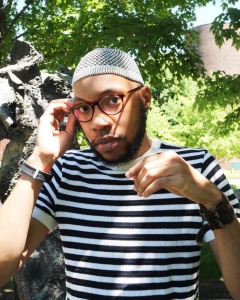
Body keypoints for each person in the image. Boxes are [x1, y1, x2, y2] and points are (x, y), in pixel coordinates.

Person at [0, 48, 240, 300]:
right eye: (83, 108)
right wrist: (40, 159)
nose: (98, 122)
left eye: (113, 99)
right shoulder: (65, 171)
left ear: (145, 98)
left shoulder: (196, 168)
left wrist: (211, 199)